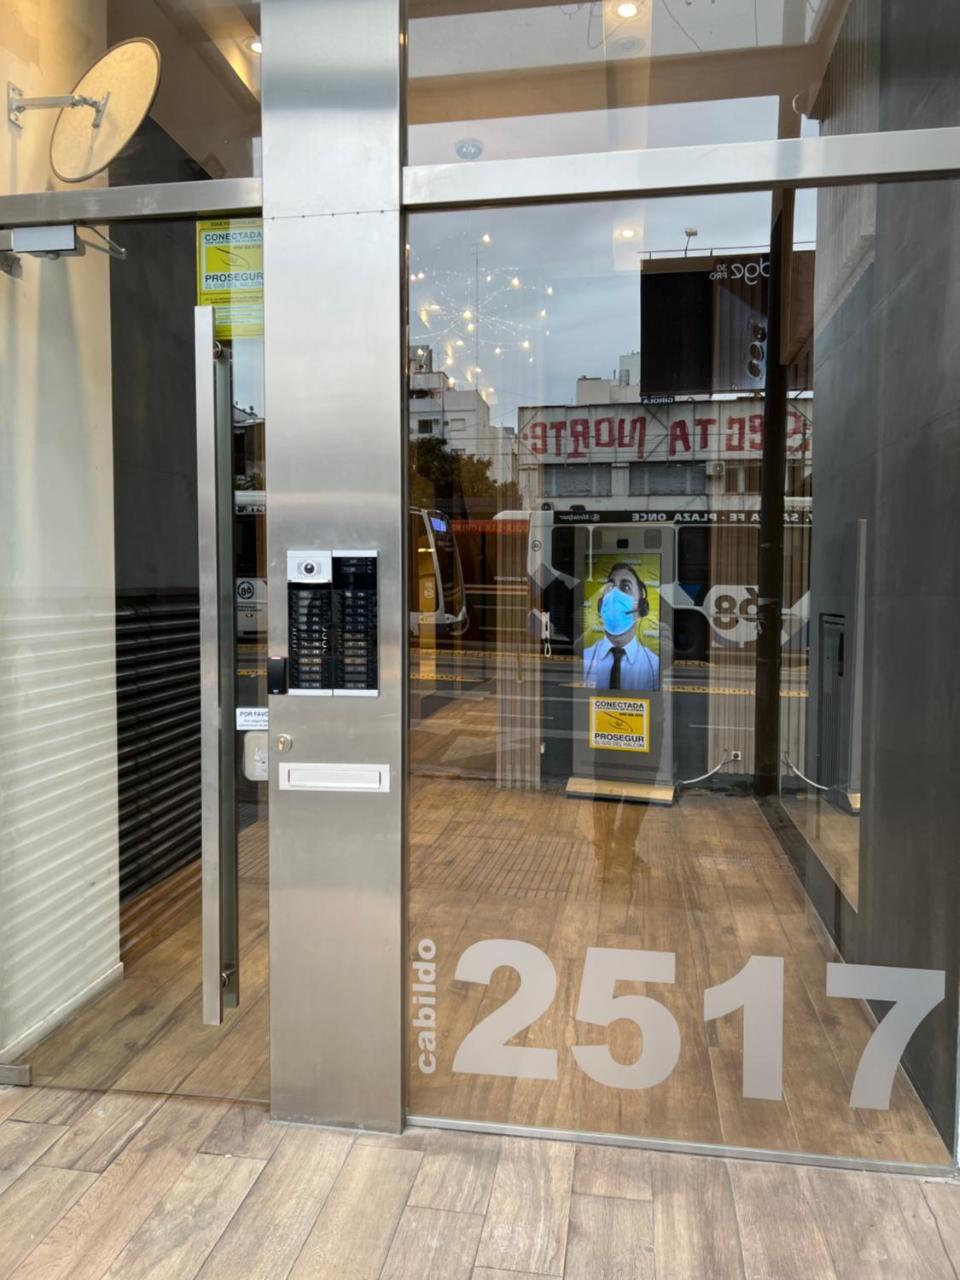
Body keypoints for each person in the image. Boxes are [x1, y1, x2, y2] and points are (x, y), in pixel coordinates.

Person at [583, 562, 660, 691]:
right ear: (601, 605)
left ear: (641, 608)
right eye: (610, 587)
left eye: (625, 587)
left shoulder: (655, 666)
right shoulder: (584, 658)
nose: (614, 594)